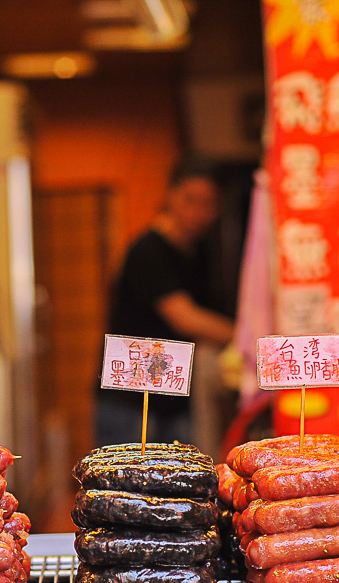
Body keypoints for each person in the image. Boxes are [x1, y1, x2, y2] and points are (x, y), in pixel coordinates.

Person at [96, 158, 236, 447]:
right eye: (191, 200)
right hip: (129, 400)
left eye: (209, 203)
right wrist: (246, 338)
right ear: (171, 195)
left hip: (173, 394)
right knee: (125, 488)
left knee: (175, 487)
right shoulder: (148, 250)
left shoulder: (200, 252)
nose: (199, 212)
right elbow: (184, 317)